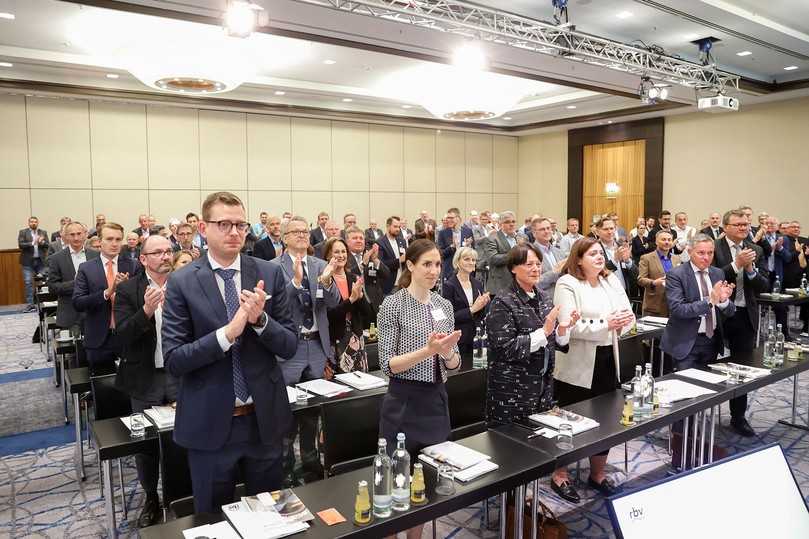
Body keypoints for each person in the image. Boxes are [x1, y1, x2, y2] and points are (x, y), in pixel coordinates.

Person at [162, 192, 297, 514]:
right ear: (203, 228)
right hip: (209, 422)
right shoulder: (182, 281)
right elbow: (175, 359)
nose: (234, 232)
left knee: (270, 517)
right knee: (213, 520)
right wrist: (227, 333)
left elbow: (289, 345)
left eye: (240, 224)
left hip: (263, 420)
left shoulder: (268, 273)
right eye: (224, 224)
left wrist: (260, 321)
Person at [377, 239, 461, 539]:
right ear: (410, 265)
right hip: (403, 401)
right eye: (427, 264)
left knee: (426, 483)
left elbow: (455, 365)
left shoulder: (443, 305)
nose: (434, 270)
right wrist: (428, 351)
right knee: (395, 482)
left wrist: (447, 353)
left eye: (437, 264)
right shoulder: (393, 304)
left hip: (435, 401)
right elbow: (388, 364)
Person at [550, 237, 635, 503]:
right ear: (578, 259)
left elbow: (628, 313)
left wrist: (620, 323)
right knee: (572, 419)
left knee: (606, 419)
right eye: (592, 254)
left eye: (601, 253)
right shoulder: (567, 283)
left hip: (609, 357)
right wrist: (605, 324)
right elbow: (568, 326)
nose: (599, 257)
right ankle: (560, 474)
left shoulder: (610, 280)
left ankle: (597, 474)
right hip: (578, 363)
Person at [270, 215, 341, 484]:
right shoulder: (273, 267)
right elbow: (275, 307)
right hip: (290, 347)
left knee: (313, 412)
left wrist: (327, 281)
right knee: (286, 411)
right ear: (284, 238)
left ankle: (311, 463)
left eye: (304, 231)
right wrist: (297, 283)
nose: (301, 234)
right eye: (295, 231)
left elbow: (333, 302)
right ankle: (286, 465)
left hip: (316, 345)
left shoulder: (320, 264)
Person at [113, 235, 177, 528]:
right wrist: (147, 311)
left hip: (179, 374)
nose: (165, 256)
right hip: (145, 377)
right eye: (158, 252)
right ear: (143, 259)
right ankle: (151, 497)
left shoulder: (183, 284)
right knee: (147, 445)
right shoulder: (128, 289)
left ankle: (179, 494)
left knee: (181, 438)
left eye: (168, 251)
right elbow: (123, 335)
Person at [661, 234, 735, 466]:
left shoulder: (718, 273)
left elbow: (729, 310)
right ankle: (680, 453)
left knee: (703, 396)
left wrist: (723, 301)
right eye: (701, 253)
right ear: (690, 252)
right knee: (684, 399)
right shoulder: (677, 274)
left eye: (710, 253)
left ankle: (697, 443)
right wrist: (710, 301)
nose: (706, 257)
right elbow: (678, 309)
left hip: (711, 342)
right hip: (686, 343)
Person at [485, 244, 577, 426]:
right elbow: (505, 349)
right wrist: (544, 332)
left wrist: (562, 330)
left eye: (538, 264)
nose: (535, 269)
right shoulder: (503, 302)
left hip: (542, 391)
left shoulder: (544, 297)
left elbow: (550, 340)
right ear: (513, 268)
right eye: (529, 264)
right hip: (512, 395)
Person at [711, 208, 769, 437]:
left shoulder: (756, 249)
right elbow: (711, 277)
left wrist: (751, 270)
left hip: (744, 314)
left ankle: (738, 416)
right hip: (717, 313)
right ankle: (698, 414)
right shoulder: (713, 247)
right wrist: (736, 264)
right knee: (707, 363)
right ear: (726, 227)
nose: (744, 228)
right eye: (738, 225)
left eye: (746, 224)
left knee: (741, 368)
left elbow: (764, 285)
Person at [73, 222, 139, 375]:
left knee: (132, 383)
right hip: (98, 338)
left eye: (118, 239)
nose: (114, 244)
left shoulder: (133, 266)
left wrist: (126, 289)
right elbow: (78, 303)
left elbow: (140, 301)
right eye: (109, 239)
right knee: (102, 383)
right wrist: (107, 292)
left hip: (129, 336)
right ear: (99, 241)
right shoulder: (86, 268)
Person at [323, 237, 374, 375]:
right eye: (336, 252)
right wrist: (351, 300)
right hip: (336, 341)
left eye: (343, 251)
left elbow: (368, 314)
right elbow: (329, 314)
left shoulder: (354, 277)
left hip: (356, 339)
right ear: (328, 255)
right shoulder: (324, 280)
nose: (341, 255)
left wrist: (360, 298)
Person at [48, 222, 99, 334]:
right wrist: (76, 283)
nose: (76, 238)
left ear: (85, 234)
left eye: (79, 234)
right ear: (65, 236)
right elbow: (52, 287)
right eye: (72, 234)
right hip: (70, 314)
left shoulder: (96, 255)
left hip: (95, 312)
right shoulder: (56, 258)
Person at [440, 247, 489, 357]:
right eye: (467, 259)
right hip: (459, 339)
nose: (471, 262)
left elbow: (481, 315)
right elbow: (449, 317)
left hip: (477, 337)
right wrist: (472, 309)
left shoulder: (477, 284)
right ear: (457, 262)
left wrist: (484, 304)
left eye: (473, 260)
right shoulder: (449, 285)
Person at [345, 226, 389, 320]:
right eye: (355, 238)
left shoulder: (370, 255)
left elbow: (386, 274)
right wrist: (363, 264)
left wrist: (375, 260)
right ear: (347, 242)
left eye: (361, 238)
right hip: (356, 306)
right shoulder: (344, 257)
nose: (359, 241)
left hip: (374, 304)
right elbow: (347, 276)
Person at [637, 229, 681, 317]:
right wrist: (653, 282)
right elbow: (640, 279)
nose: (667, 242)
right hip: (654, 306)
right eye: (663, 239)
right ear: (656, 242)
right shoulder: (646, 258)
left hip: (673, 305)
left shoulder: (676, 258)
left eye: (669, 240)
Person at [596, 217, 637, 294]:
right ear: (597, 232)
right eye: (605, 229)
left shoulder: (622, 247)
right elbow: (598, 272)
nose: (609, 232)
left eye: (612, 228)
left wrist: (628, 262)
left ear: (615, 229)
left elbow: (636, 274)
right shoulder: (594, 249)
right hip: (605, 293)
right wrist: (615, 261)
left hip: (623, 293)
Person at [485, 211, 520, 296]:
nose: (511, 224)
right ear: (500, 224)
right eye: (507, 222)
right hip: (500, 286)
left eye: (513, 222)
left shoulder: (519, 238)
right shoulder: (493, 238)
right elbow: (492, 259)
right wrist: (513, 254)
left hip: (517, 284)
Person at [18, 216, 50, 311]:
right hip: (27, 262)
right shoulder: (23, 232)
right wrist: (33, 242)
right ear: (28, 223)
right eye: (31, 222)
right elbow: (20, 245)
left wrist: (42, 242)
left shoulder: (43, 232)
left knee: (44, 281)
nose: (33, 223)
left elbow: (48, 245)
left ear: (38, 223)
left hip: (40, 262)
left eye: (35, 222)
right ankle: (30, 305)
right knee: (28, 282)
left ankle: (45, 303)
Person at [531, 217, 566, 296]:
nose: (546, 231)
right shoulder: (529, 253)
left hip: (563, 296)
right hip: (543, 299)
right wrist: (553, 273)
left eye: (548, 228)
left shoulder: (560, 252)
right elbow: (532, 283)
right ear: (534, 233)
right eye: (542, 229)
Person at [436, 212, 473, 282]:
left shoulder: (468, 232)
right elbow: (441, 254)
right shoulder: (443, 233)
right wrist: (451, 246)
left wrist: (469, 246)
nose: (448, 220)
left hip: (465, 271)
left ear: (458, 218)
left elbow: (473, 251)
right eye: (447, 218)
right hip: (449, 271)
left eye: (451, 218)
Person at [377, 216, 408, 294]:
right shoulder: (380, 242)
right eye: (395, 226)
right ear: (388, 226)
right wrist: (399, 260)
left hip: (403, 284)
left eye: (399, 227)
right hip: (389, 285)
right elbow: (381, 265)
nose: (398, 229)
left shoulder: (402, 241)